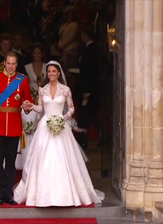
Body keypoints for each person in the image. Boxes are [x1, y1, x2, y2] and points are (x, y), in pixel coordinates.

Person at [15, 60, 104, 207]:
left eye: (53, 71)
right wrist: (31, 106)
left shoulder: (65, 89)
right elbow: (40, 108)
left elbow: (71, 109)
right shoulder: (42, 89)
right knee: (43, 158)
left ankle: (66, 196)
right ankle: (42, 196)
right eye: (49, 71)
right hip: (45, 126)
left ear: (58, 73)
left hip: (60, 125)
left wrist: (61, 119)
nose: (51, 74)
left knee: (63, 158)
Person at [0, 52, 33, 205]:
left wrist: (27, 104)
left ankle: (9, 194)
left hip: (14, 126)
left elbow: (27, 99)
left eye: (13, 64)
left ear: (17, 64)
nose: (10, 67)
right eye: (8, 63)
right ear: (4, 63)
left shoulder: (22, 80)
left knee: (11, 162)